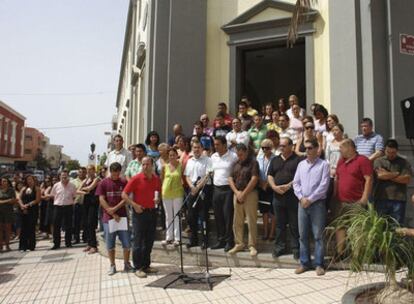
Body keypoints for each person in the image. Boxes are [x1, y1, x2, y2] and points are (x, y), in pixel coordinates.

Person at [293, 138, 330, 276]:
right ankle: (304, 263)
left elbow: (324, 185)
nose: (306, 151)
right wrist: (301, 198)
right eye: (305, 148)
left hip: (317, 204)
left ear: (316, 149)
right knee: (302, 235)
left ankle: (319, 264)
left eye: (309, 148)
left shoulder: (324, 165)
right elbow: (296, 183)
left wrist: (310, 199)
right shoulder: (301, 164)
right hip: (302, 203)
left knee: (318, 235)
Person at [122, 157, 161, 278]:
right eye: (143, 164)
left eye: (147, 164)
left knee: (149, 240)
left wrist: (158, 199)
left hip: (152, 212)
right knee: (138, 241)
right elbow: (124, 194)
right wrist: (134, 205)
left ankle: (146, 265)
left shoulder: (156, 179)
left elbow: (159, 194)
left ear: (152, 165)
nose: (145, 166)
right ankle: (137, 267)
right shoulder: (136, 179)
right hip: (139, 213)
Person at [335, 139, 373, 258]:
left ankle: (358, 257)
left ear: (349, 147)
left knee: (358, 229)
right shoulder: (341, 161)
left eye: (341, 147)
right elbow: (337, 178)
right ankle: (340, 254)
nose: (339, 150)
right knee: (340, 227)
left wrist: (364, 198)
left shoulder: (362, 160)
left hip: (357, 202)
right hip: (341, 202)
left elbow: (369, 179)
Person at [96, 162, 134, 275]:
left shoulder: (124, 182)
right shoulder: (103, 183)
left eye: (118, 173)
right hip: (109, 218)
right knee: (110, 243)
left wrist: (116, 208)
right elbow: (101, 199)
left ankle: (127, 264)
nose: (116, 176)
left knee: (126, 242)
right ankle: (112, 265)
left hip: (122, 217)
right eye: (114, 173)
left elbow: (126, 197)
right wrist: (112, 212)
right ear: (110, 172)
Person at [267, 137, 301, 259]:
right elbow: (270, 175)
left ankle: (296, 248)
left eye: (284, 145)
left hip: (292, 196)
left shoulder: (298, 160)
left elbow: (299, 176)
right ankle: (280, 247)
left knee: (294, 224)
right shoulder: (275, 160)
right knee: (280, 224)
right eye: (280, 146)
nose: (281, 147)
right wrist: (274, 187)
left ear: (291, 146)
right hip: (277, 197)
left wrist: (288, 186)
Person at [228, 143, 259, 256]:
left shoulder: (253, 163)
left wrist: (244, 193)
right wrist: (237, 192)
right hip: (237, 193)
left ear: (246, 152)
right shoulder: (235, 163)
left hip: (250, 194)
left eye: (241, 154)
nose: (239, 156)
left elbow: (254, 179)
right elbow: (230, 178)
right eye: (237, 154)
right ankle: (239, 243)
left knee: (251, 220)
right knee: (237, 220)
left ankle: (252, 245)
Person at [373, 139, 412, 225]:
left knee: (397, 227)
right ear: (385, 150)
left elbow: (406, 179)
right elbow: (380, 176)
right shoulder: (379, 161)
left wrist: (388, 175)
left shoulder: (403, 162)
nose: (390, 155)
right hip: (381, 197)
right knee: (380, 226)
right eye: (388, 152)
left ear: (397, 151)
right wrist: (396, 174)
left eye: (393, 152)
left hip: (398, 199)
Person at [210, 136, 238, 251]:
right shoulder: (213, 156)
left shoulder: (233, 156)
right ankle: (220, 240)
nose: (215, 147)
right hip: (216, 189)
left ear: (224, 145)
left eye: (218, 144)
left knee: (228, 216)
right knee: (218, 215)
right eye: (215, 145)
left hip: (228, 189)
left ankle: (229, 241)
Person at [184, 141, 212, 248]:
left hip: (203, 189)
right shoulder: (190, 161)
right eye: (194, 147)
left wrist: (197, 187)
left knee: (203, 216)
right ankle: (193, 240)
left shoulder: (207, 160)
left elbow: (207, 175)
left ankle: (205, 241)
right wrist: (192, 186)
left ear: (201, 148)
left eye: (198, 147)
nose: (196, 149)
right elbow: (187, 176)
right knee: (191, 216)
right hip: (192, 189)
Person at [160, 148, 184, 246]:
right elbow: (162, 179)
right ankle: (169, 237)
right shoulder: (164, 167)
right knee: (168, 216)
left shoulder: (180, 166)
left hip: (177, 193)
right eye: (170, 155)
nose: (172, 157)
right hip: (166, 194)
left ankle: (177, 238)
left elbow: (183, 177)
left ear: (177, 156)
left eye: (174, 155)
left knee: (176, 216)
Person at [50, 171, 77, 250]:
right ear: (60, 177)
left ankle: (68, 243)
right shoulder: (56, 185)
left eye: (65, 177)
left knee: (68, 226)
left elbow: (74, 196)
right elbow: (52, 195)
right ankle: (56, 243)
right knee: (56, 226)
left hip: (68, 207)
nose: (64, 178)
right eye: (62, 177)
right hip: (58, 207)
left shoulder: (72, 186)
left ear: (68, 177)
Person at [78, 165, 101, 254]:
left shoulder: (97, 179)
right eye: (87, 170)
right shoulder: (86, 180)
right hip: (86, 203)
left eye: (90, 170)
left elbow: (90, 188)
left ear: (94, 170)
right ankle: (89, 243)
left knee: (91, 223)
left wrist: (85, 190)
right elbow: (77, 190)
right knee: (86, 224)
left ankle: (94, 245)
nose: (88, 172)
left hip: (93, 203)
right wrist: (85, 190)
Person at [257, 139, 276, 241]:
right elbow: (257, 172)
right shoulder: (259, 158)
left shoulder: (276, 158)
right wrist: (261, 183)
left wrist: (268, 183)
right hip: (262, 187)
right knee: (264, 211)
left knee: (272, 212)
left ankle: (272, 233)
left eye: (267, 148)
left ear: (271, 148)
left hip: (272, 187)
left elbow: (276, 173)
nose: (265, 150)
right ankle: (265, 232)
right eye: (263, 148)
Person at [18, 175, 41, 251]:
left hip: (33, 210)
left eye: (31, 179)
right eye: (28, 179)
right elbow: (19, 198)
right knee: (23, 228)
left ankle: (31, 246)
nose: (29, 181)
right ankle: (23, 246)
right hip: (23, 210)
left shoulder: (37, 189)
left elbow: (37, 200)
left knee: (31, 228)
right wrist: (22, 206)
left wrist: (28, 205)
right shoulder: (23, 188)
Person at [0, 178, 17, 252]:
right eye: (2, 181)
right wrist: (7, 201)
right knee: (0, 229)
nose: (3, 182)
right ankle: (0, 245)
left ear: (8, 182)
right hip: (0, 212)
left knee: (8, 229)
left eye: (5, 181)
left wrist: (2, 201)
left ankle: (7, 245)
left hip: (8, 212)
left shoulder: (11, 190)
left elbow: (13, 200)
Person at [72, 167, 86, 244]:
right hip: (76, 204)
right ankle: (76, 238)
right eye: (80, 172)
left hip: (85, 204)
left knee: (85, 222)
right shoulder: (73, 182)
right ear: (78, 173)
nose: (82, 173)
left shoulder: (88, 181)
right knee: (75, 222)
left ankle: (85, 237)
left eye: (84, 172)